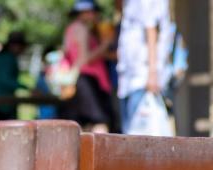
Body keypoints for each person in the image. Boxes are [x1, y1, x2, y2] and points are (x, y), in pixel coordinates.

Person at [60, 0, 115, 133]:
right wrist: (105, 44)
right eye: (93, 12)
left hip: (78, 80)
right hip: (87, 80)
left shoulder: (71, 29)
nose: (95, 15)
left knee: (84, 126)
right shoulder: (82, 28)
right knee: (100, 123)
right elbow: (85, 59)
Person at [116, 0, 168, 132]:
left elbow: (151, 29)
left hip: (142, 78)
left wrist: (152, 72)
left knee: (138, 138)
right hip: (129, 79)